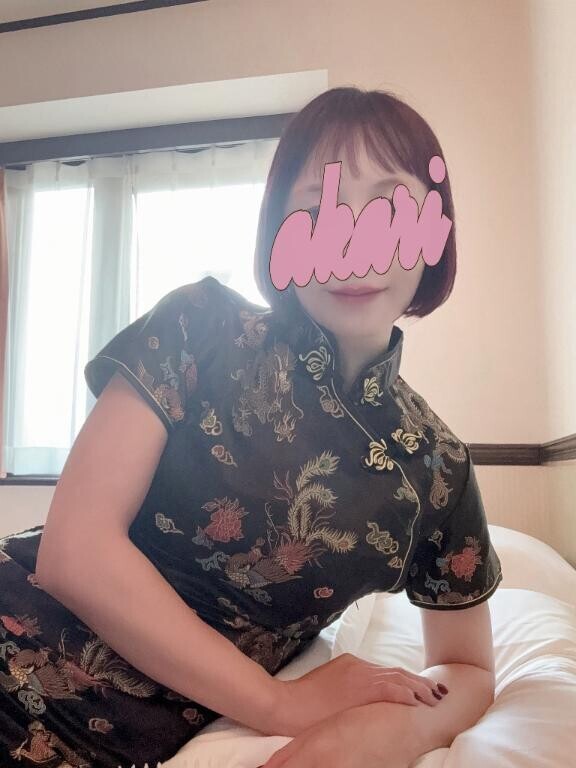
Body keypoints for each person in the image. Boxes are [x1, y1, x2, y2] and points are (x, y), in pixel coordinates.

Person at [0, 87, 503, 768]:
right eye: (317, 211)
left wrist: (393, 732)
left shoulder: (438, 467)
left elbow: (469, 667)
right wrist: (280, 704)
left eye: (389, 208)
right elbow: (74, 551)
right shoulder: (198, 324)